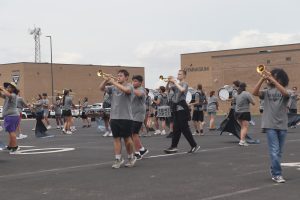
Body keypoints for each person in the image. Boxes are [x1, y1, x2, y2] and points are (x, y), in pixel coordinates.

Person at [253, 68, 291, 183]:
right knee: (274, 150)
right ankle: (277, 174)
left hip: (282, 125)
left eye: (274, 76)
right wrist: (262, 78)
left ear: (280, 78)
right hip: (270, 125)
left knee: (279, 152)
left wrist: (271, 79)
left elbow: (285, 93)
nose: (271, 77)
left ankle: (274, 168)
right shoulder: (266, 91)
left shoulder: (287, 91)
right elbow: (254, 92)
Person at [99, 69, 136, 168]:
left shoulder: (130, 86)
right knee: (116, 139)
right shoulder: (113, 87)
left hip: (126, 117)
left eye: (121, 76)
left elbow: (127, 91)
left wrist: (114, 82)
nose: (118, 77)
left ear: (126, 77)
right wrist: (106, 80)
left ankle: (131, 157)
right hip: (114, 117)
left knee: (127, 139)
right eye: (118, 75)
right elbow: (101, 88)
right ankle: (118, 159)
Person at [164, 70, 200, 154]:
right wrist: (169, 81)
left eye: (180, 74)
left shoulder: (184, 83)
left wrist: (175, 82)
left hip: (182, 108)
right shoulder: (175, 84)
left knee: (184, 128)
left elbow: (182, 90)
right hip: (176, 108)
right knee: (176, 128)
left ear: (184, 76)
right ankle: (173, 146)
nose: (178, 75)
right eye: (177, 74)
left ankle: (194, 145)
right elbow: (167, 89)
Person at [131, 75, 149, 160]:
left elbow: (139, 94)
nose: (133, 83)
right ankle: (142, 150)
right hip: (132, 114)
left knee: (133, 133)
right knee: (133, 134)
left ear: (140, 83)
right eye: (133, 81)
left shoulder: (142, 89)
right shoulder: (133, 90)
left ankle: (137, 152)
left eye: (135, 81)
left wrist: (130, 88)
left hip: (139, 114)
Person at [0, 82, 21, 153]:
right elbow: (2, 95)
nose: (7, 88)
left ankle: (15, 147)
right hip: (12, 116)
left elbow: (7, 94)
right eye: (7, 87)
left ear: (13, 89)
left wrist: (2, 88)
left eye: (9, 87)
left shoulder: (13, 95)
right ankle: (10, 146)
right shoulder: (8, 95)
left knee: (12, 132)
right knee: (11, 132)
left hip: (11, 116)